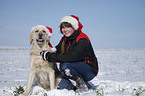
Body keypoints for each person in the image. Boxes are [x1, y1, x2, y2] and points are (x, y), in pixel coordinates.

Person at [40, 15, 99, 92]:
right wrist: (45, 49)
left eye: (68, 27)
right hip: (72, 68)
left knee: (64, 65)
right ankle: (78, 86)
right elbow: (56, 50)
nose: (65, 30)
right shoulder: (64, 39)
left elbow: (73, 57)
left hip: (89, 70)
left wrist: (49, 57)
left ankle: (81, 84)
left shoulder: (82, 39)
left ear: (74, 27)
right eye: (63, 27)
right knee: (61, 85)